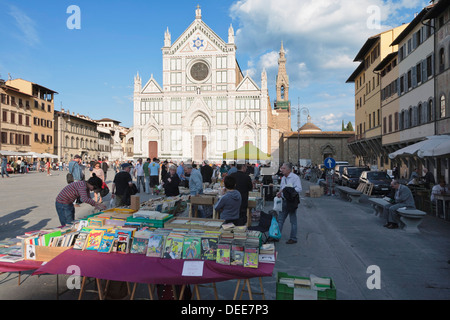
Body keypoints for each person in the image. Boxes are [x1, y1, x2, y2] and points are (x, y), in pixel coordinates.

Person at [276, 163, 302, 244]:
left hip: (291, 202)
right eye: (281, 168)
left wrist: (289, 190)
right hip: (284, 201)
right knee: (280, 220)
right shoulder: (283, 178)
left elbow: (299, 189)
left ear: (288, 170)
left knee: (293, 221)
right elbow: (282, 188)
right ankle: (276, 236)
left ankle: (293, 238)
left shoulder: (295, 177)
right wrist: (280, 193)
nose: (281, 170)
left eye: (283, 168)